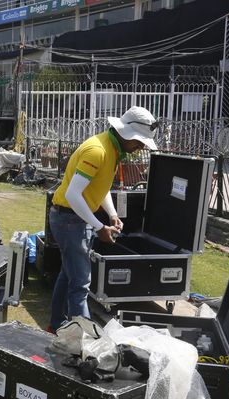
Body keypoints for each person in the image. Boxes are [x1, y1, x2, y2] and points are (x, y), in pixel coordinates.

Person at [49, 106, 158, 331]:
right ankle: (84, 341)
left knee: (68, 274)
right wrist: (99, 226)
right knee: (80, 284)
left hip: (74, 218)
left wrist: (112, 214)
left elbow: (101, 186)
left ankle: (56, 324)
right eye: (139, 141)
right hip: (69, 219)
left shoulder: (112, 149)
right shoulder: (97, 151)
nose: (140, 148)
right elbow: (72, 194)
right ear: (124, 133)